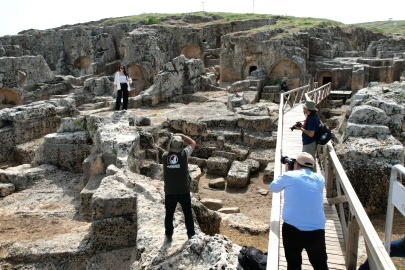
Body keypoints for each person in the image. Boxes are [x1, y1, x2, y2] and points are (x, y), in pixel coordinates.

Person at [270, 152, 328, 270]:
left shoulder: (289, 176)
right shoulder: (320, 179)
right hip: (316, 230)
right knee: (320, 265)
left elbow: (273, 187)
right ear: (312, 166)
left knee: (293, 264)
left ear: (296, 165)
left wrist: (287, 173)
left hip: (292, 229)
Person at [162, 133, 196, 242]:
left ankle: (168, 234)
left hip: (170, 191)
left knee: (169, 214)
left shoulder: (164, 156)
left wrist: (172, 139)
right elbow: (192, 143)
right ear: (181, 146)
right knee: (187, 213)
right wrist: (181, 135)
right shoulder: (185, 154)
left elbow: (168, 150)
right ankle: (191, 234)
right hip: (183, 191)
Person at [296, 100, 319, 172]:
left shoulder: (312, 118)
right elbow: (310, 128)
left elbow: (311, 133)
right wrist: (302, 125)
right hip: (309, 142)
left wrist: (301, 129)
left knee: (310, 162)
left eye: (304, 107)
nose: (303, 108)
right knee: (307, 160)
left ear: (307, 109)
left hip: (310, 143)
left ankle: (313, 178)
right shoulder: (311, 116)